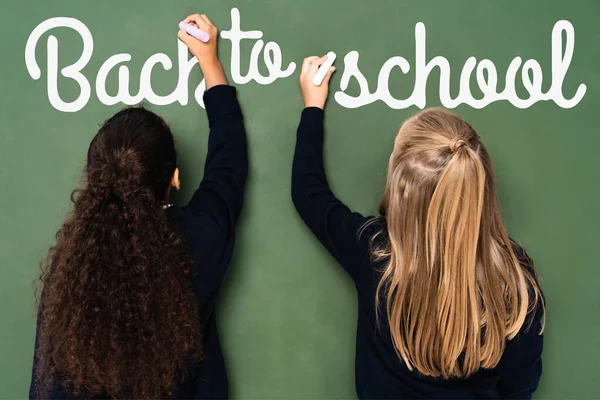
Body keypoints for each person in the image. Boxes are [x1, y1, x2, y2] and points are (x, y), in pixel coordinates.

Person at [291, 55, 545, 399]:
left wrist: (312, 106)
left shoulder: (377, 253)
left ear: (400, 189)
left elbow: (308, 193)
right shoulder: (515, 280)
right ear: (478, 186)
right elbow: (521, 386)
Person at [29, 13, 247, 399]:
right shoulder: (200, 240)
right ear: (174, 178)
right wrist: (210, 63)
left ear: (94, 176)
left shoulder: (67, 272)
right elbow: (228, 163)